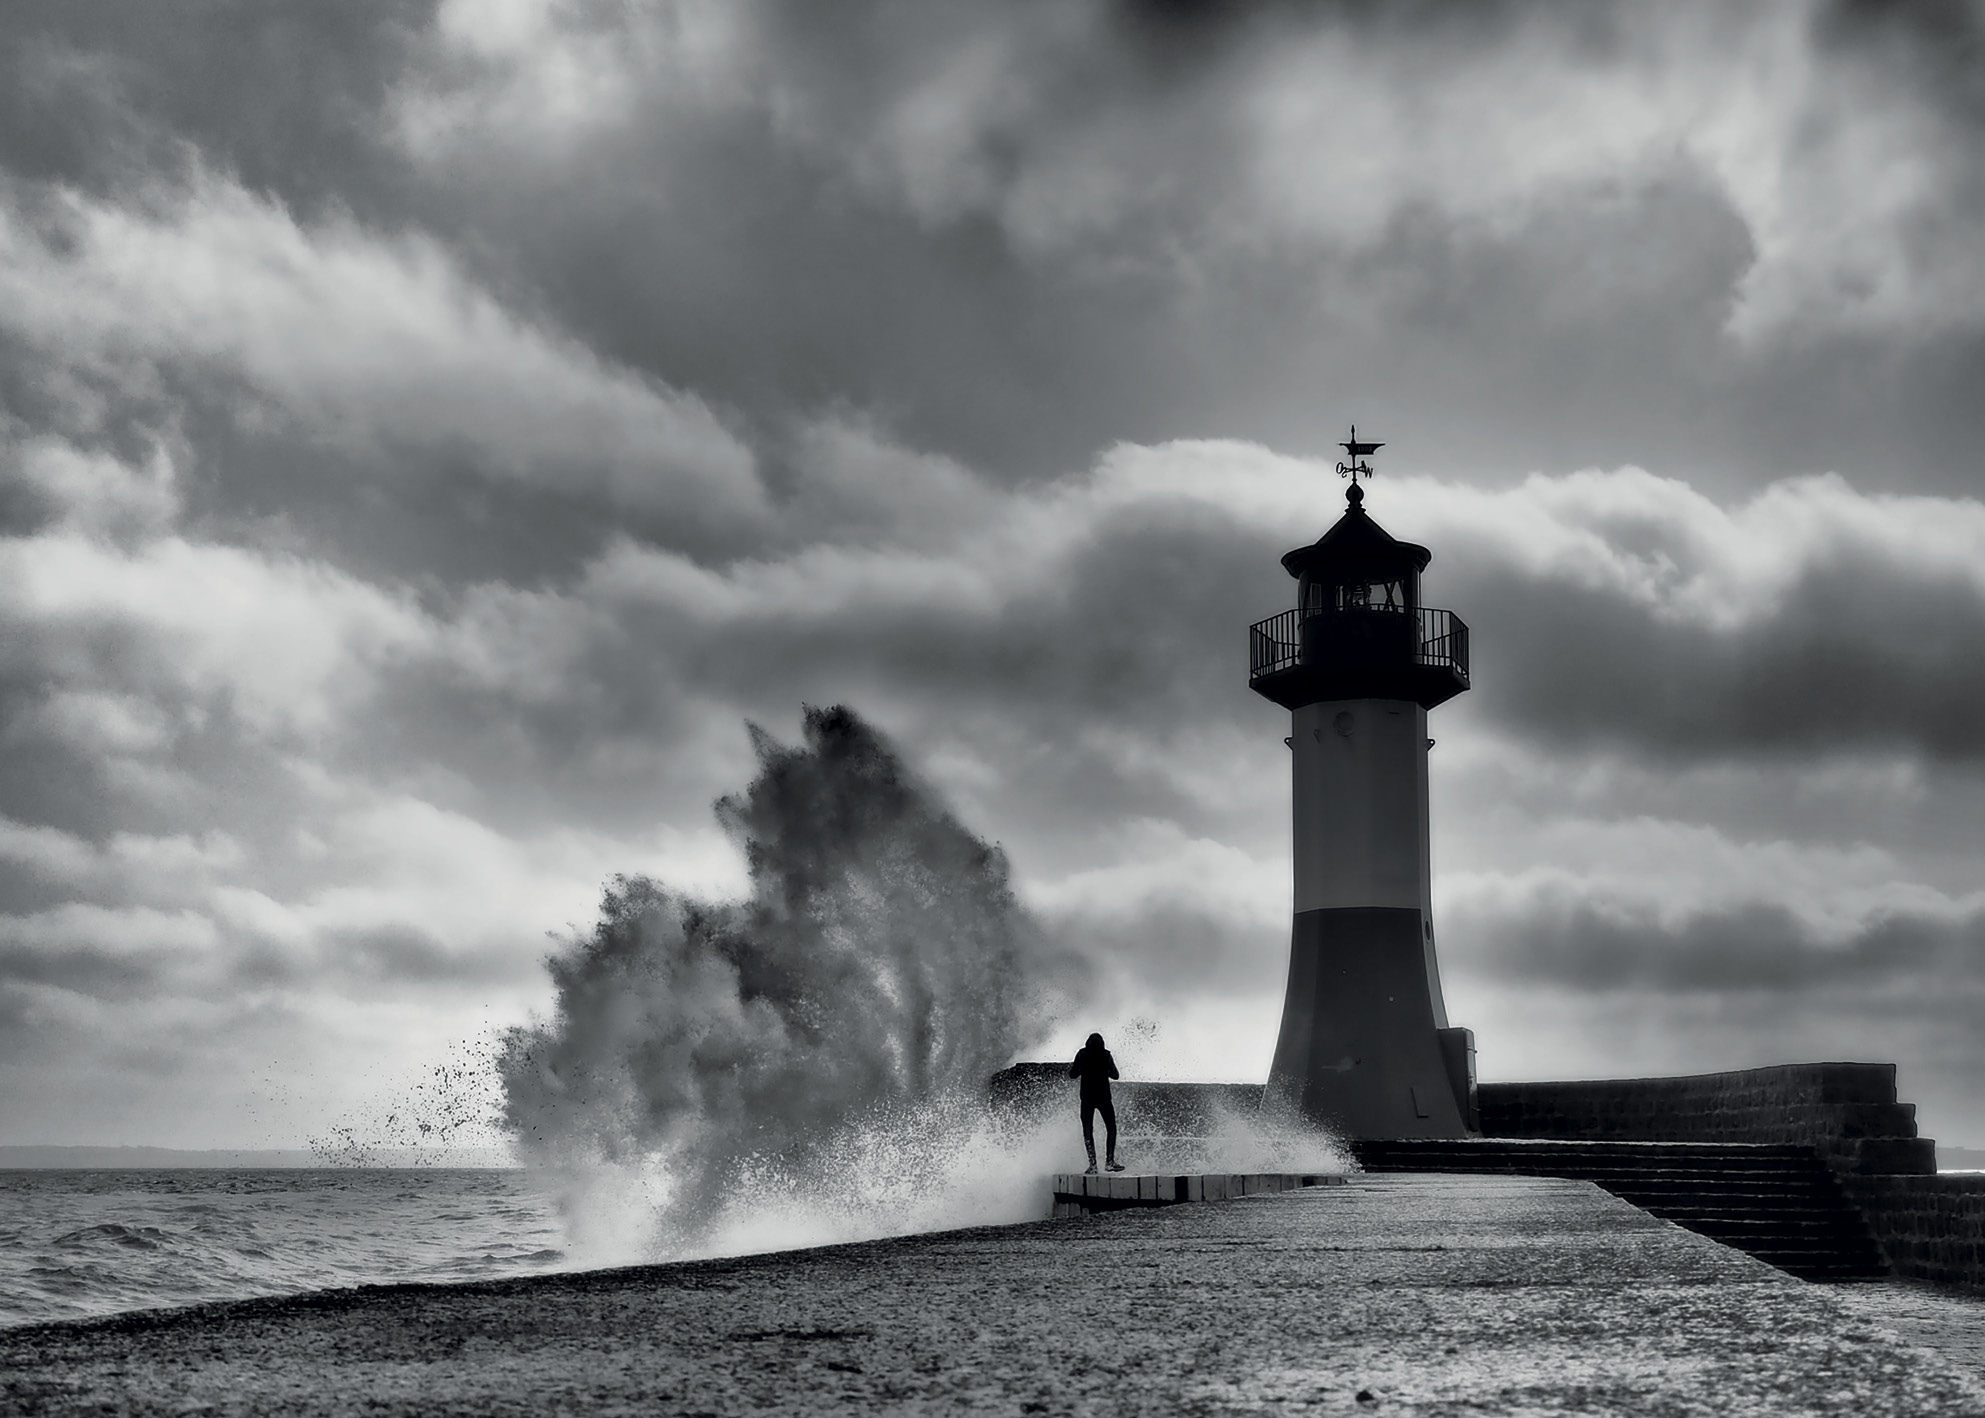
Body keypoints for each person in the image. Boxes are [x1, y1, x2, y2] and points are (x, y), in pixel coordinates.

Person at [1069, 1032, 1124, 1174]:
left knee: (1088, 1130)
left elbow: (1072, 1074)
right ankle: (1110, 1162)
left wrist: (1084, 1068)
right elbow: (1116, 1075)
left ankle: (1093, 1165)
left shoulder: (1082, 1054)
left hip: (1087, 1097)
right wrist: (1104, 1069)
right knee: (1111, 1128)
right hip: (1103, 1097)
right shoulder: (1106, 1055)